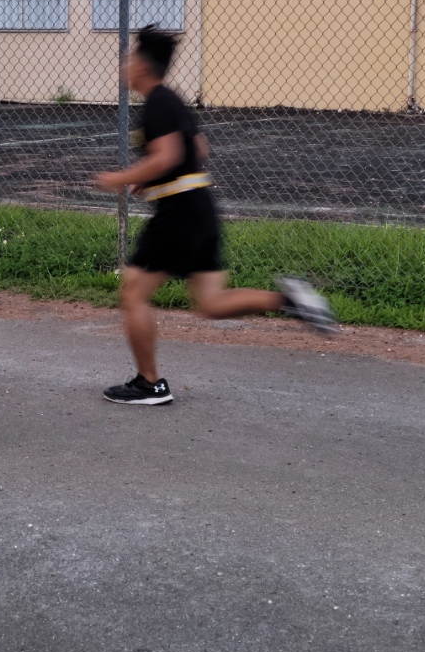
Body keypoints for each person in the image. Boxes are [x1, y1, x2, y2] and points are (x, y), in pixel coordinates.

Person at [93, 25, 335, 405]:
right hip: (199, 208)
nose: (124, 65)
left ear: (142, 64)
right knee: (211, 303)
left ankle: (149, 383)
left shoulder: (158, 102)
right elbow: (197, 148)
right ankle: (290, 302)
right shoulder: (171, 101)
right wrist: (149, 180)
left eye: (128, 58)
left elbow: (170, 156)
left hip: (178, 212)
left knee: (133, 294)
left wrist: (121, 178)